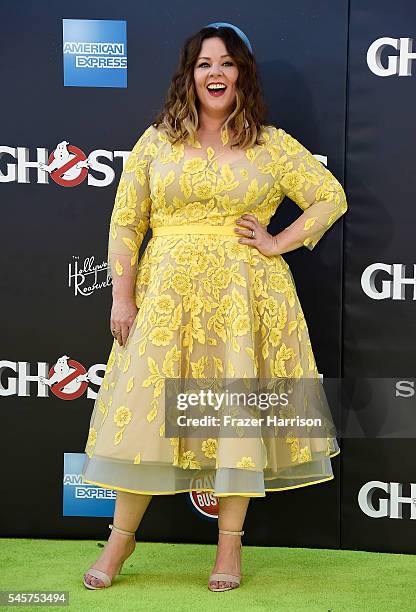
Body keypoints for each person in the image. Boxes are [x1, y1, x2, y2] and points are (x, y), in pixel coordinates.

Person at [81, 22, 348, 592]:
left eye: (226, 63)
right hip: (166, 297)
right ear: (189, 75)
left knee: (235, 416)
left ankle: (229, 550)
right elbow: (127, 222)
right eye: (204, 64)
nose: (215, 73)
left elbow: (331, 196)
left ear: (242, 74)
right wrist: (122, 297)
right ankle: (119, 544)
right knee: (147, 419)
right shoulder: (157, 141)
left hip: (244, 299)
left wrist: (278, 241)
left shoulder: (270, 143)